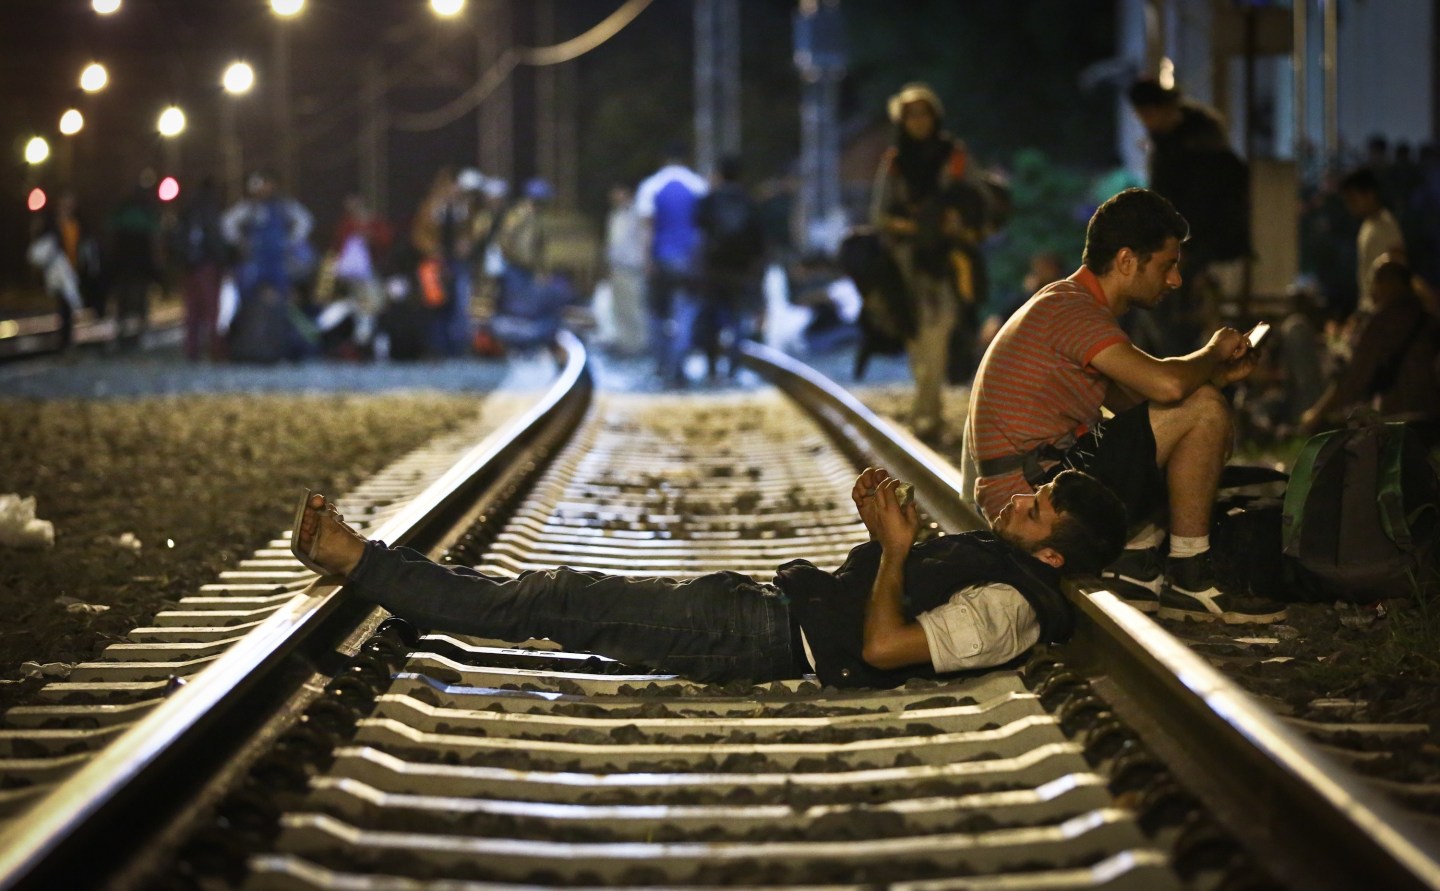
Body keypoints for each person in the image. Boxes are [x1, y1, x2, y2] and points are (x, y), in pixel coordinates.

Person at [291, 466, 1127, 688]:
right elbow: (878, 599)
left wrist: (897, 547)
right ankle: (371, 562)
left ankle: (357, 558)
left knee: (555, 597)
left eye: (1037, 511)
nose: (1017, 504)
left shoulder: (1008, 610)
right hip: (759, 608)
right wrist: (884, 538)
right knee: (560, 593)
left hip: (760, 638)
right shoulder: (1006, 566)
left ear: (1053, 556)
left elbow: (880, 647)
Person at [967, 187, 1287, 625]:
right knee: (1204, 407)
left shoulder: (1070, 304)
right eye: (1167, 265)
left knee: (1203, 406)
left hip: (1037, 479)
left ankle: (1136, 564)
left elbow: (1150, 408)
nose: (1174, 280)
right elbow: (1169, 386)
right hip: (1033, 496)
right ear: (1125, 261)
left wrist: (1216, 379)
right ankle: (1189, 576)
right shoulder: (1072, 311)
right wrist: (1214, 351)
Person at [870, 83, 982, 440]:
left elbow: (979, 198)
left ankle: (927, 410)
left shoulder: (954, 155)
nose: (918, 121)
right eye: (911, 115)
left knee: (943, 324)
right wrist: (913, 226)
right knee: (916, 334)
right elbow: (879, 214)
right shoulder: (896, 161)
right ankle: (927, 408)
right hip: (906, 259)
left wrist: (956, 220)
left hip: (949, 257)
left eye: (924, 113)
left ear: (935, 116)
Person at [1127, 78, 1250, 356]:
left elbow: (1203, 205)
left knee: (1170, 314)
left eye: (1146, 114)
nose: (1145, 122)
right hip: (1192, 243)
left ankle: (1178, 369)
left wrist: (1185, 250)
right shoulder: (1176, 143)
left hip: (1206, 244)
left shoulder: (1193, 148)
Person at [1300, 259, 1440, 430]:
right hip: (1432, 417)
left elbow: (1354, 378)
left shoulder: (1383, 321)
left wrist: (1316, 415)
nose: (1372, 291)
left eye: (1375, 282)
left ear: (1388, 283)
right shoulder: (1428, 318)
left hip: (1397, 420)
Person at [635, 143, 708, 384]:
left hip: (661, 259)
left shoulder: (651, 186)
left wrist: (647, 261)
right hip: (690, 261)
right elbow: (703, 228)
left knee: (657, 314)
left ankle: (661, 365)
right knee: (685, 314)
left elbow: (647, 229)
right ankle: (678, 366)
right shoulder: (698, 185)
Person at [694, 154, 767, 378]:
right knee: (738, 319)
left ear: (719, 174)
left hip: (713, 269)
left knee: (712, 319)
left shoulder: (709, 201)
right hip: (741, 270)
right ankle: (734, 365)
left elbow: (698, 230)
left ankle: (712, 367)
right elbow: (759, 240)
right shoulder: (750, 202)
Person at [173, 177, 230, 362]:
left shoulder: (187, 210)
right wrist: (224, 261)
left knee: (192, 311)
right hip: (206, 265)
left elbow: (176, 239)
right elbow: (215, 239)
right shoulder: (209, 211)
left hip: (189, 266)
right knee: (212, 310)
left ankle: (191, 350)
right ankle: (215, 350)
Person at [1338, 167, 1407, 315]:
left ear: (1370, 194)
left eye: (1353, 199)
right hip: (1369, 308)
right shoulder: (1367, 226)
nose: (1350, 206)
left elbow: (1398, 267)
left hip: (1384, 310)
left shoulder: (1387, 225)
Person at [602, 183, 648, 356]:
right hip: (617, 267)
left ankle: (639, 345)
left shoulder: (637, 214)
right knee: (619, 308)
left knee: (635, 308)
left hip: (633, 268)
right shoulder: (615, 215)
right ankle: (625, 344)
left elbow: (643, 240)